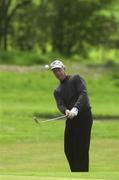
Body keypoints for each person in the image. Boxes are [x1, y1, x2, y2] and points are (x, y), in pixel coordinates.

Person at [50, 59, 93, 172]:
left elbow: (83, 94)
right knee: (68, 149)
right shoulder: (57, 90)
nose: (57, 73)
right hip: (71, 118)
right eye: (54, 71)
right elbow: (60, 105)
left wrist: (76, 108)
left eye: (59, 70)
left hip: (84, 117)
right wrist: (66, 111)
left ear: (64, 68)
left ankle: (83, 174)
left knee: (82, 148)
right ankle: (76, 173)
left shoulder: (76, 79)